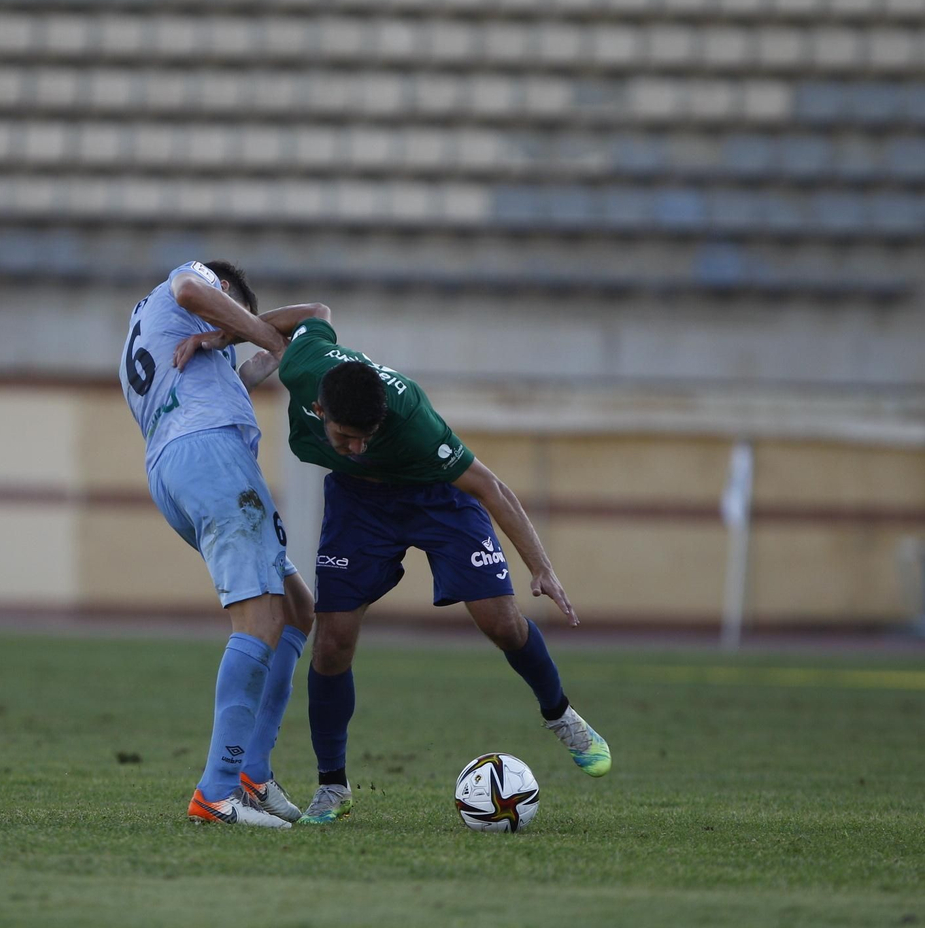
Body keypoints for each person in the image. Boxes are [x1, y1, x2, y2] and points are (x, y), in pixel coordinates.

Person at [179, 309, 610, 827]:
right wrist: (224, 333)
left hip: (434, 498)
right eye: (345, 439)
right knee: (332, 642)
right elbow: (313, 315)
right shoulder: (305, 366)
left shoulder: (413, 424)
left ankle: (561, 715)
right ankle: (332, 786)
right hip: (359, 508)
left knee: (501, 622)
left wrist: (541, 568)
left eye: (367, 437)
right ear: (318, 409)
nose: (358, 447)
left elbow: (489, 486)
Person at [120, 259, 323, 829]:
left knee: (297, 611)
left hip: (177, 466)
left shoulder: (164, 338)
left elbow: (307, 320)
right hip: (208, 453)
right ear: (225, 289)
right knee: (258, 620)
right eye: (232, 308)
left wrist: (235, 339)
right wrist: (258, 332)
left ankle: (252, 773)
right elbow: (193, 288)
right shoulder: (185, 282)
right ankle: (217, 791)